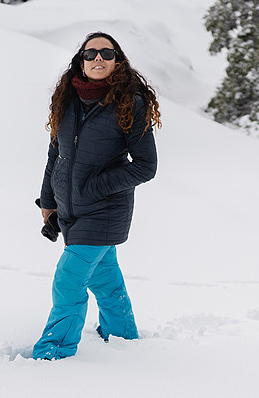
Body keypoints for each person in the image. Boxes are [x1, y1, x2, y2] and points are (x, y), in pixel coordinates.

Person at [33, 31, 160, 360]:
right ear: (81, 61)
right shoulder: (67, 100)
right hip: (70, 211)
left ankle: (54, 352)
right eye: (90, 54)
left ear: (117, 59)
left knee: (69, 280)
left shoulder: (130, 103)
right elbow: (56, 155)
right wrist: (49, 203)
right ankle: (123, 336)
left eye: (107, 52)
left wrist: (93, 187)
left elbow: (145, 166)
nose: (98, 58)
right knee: (105, 280)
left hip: (105, 210)